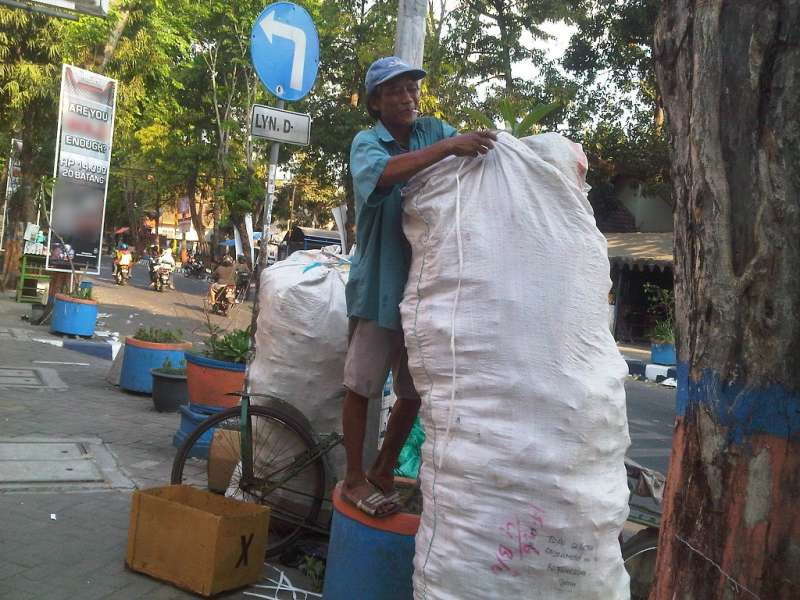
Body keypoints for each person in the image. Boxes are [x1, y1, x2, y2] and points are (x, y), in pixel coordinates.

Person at [342, 56, 497, 516]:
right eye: (395, 91)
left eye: (412, 88)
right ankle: (353, 477)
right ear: (376, 102)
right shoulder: (368, 143)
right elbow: (384, 176)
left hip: (430, 285)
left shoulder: (434, 129)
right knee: (361, 385)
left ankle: (384, 468)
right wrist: (451, 148)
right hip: (380, 286)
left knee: (413, 388)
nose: (408, 97)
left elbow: (473, 151)